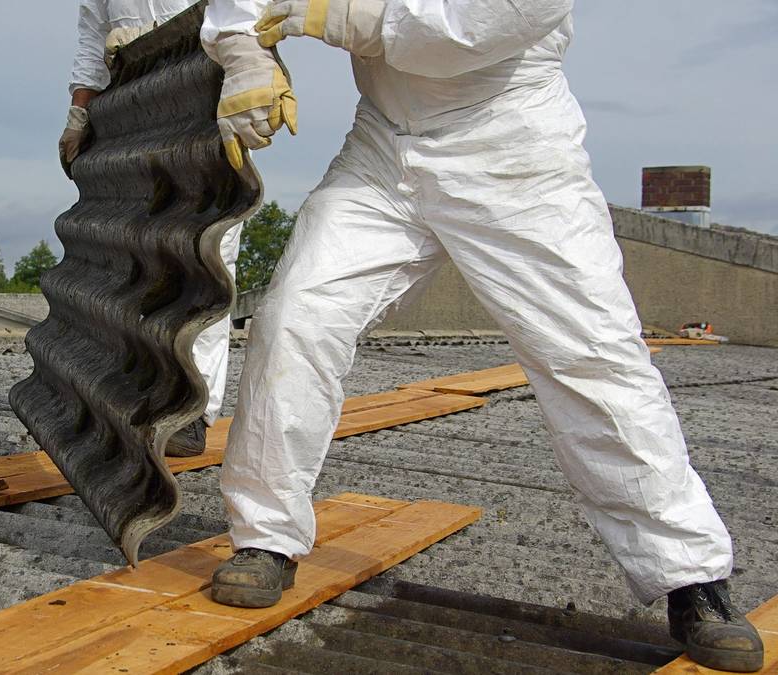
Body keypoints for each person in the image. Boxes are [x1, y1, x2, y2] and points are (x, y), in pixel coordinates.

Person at [199, 0, 764, 671]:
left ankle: (690, 576)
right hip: (384, 146)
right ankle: (265, 538)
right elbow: (243, 6)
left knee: (591, 356)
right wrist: (242, 55)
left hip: (512, 146)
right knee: (296, 315)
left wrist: (329, 12)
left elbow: (457, 33)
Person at [63, 0, 243, 457]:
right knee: (133, 253)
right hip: (135, 109)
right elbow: (91, 34)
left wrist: (254, 64)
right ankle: (133, 392)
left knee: (206, 255)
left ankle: (192, 411)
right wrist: (80, 111)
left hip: (205, 96)